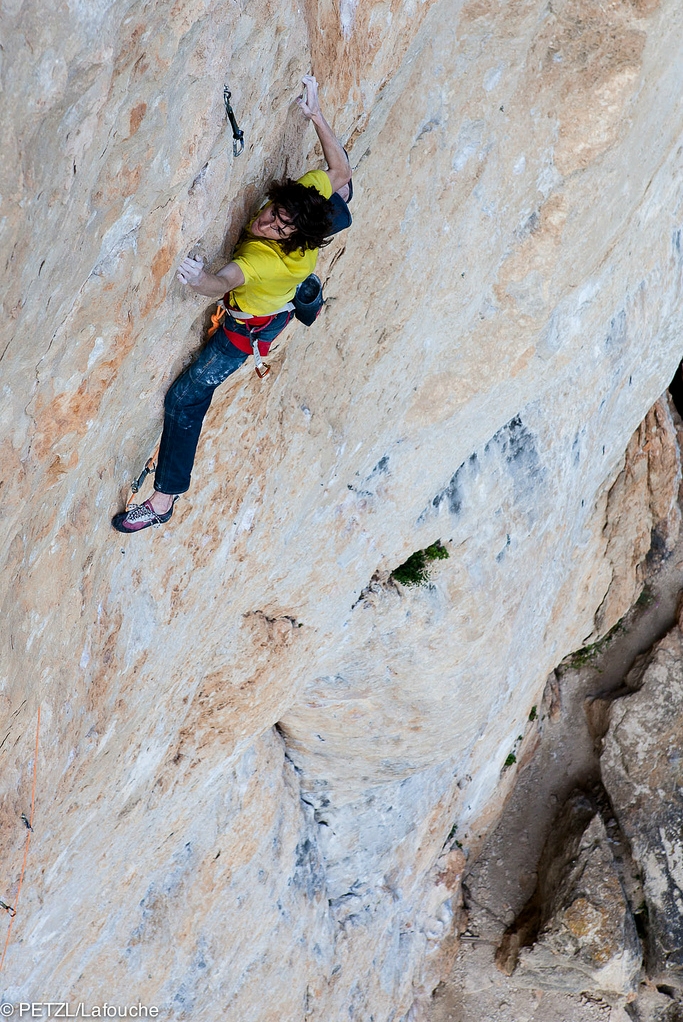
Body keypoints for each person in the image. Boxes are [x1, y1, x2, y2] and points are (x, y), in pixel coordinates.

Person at [112, 75, 351, 534]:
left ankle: (162, 503)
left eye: (278, 227)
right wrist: (315, 114)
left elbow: (222, 281)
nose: (265, 223)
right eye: (271, 213)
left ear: (291, 238)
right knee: (341, 195)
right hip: (280, 296)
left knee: (185, 399)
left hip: (249, 328)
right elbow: (340, 172)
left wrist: (197, 277)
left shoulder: (261, 259)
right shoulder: (304, 204)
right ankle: (306, 297)